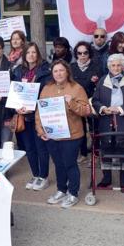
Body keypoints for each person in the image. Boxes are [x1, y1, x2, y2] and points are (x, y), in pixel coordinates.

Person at [36, 60, 92, 209]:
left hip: (72, 135)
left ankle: (73, 192)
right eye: (55, 71)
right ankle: (61, 190)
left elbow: (86, 111)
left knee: (69, 163)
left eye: (61, 70)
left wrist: (71, 102)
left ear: (67, 72)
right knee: (59, 164)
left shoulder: (76, 88)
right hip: (52, 135)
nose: (58, 73)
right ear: (52, 73)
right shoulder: (47, 89)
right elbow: (39, 111)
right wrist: (40, 130)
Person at [91, 54, 124, 189]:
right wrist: (102, 108)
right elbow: (95, 100)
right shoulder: (102, 81)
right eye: (113, 65)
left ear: (123, 66)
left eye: (119, 65)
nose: (116, 68)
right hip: (106, 120)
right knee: (105, 151)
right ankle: (106, 178)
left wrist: (119, 109)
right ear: (108, 66)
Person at [9, 43, 52, 191]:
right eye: (29, 53)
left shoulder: (45, 71)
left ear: (38, 54)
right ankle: (35, 175)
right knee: (29, 148)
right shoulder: (19, 71)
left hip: (37, 115)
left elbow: (46, 94)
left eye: (34, 52)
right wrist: (16, 106)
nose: (31, 55)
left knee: (41, 148)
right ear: (24, 55)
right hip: (22, 115)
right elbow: (14, 91)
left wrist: (32, 105)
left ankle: (43, 176)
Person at [70, 41, 103, 159]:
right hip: (76, 102)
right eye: (79, 53)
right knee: (80, 128)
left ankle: (96, 151)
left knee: (94, 127)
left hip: (91, 101)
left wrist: (96, 81)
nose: (82, 55)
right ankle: (83, 153)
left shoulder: (97, 67)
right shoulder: (71, 68)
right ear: (76, 54)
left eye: (85, 52)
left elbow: (101, 85)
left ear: (89, 53)